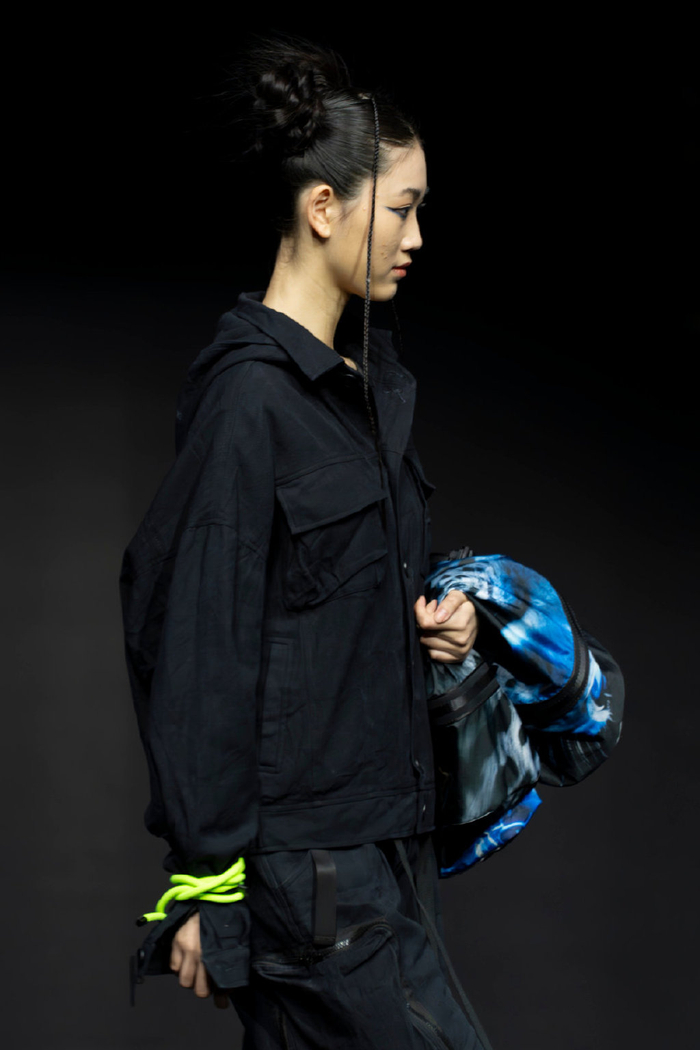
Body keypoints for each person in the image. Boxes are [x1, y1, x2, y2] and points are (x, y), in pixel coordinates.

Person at [121, 35, 492, 1048]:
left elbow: (325, 609)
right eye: (403, 208)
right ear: (323, 208)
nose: (417, 235)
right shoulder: (249, 402)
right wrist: (207, 887)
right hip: (312, 876)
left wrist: (435, 625)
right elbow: (195, 643)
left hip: (384, 854)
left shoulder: (355, 393)